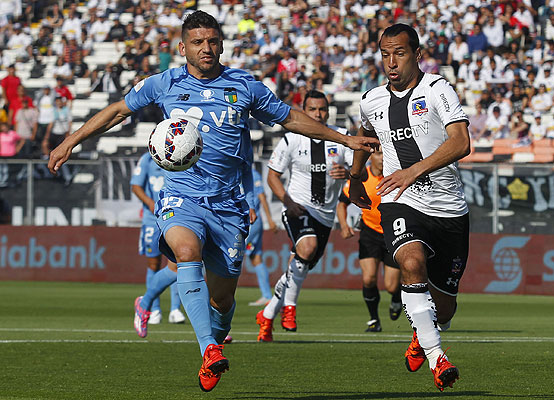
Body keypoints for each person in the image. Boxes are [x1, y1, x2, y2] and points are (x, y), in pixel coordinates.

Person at [47, 10, 377, 393]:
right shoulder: (164, 83)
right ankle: (208, 348)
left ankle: (214, 342)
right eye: (197, 42)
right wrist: (71, 141)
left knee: (222, 299)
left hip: (229, 206)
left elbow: (289, 118)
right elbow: (118, 111)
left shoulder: (244, 86)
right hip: (180, 196)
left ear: (221, 44)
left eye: (212, 41)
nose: (206, 48)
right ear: (182, 48)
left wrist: (345, 139)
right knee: (186, 252)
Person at [348, 23, 470, 392]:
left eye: (399, 53)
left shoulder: (437, 89)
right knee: (411, 263)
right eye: (385, 55)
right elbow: (365, 135)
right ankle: (437, 357)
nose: (391, 62)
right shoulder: (371, 100)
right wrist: (355, 177)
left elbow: (461, 142)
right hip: (400, 200)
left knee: (444, 310)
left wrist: (414, 170)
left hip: (448, 208)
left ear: (416, 55)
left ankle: (423, 333)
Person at [256, 90, 354, 342]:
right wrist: (288, 203)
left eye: (322, 109)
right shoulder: (292, 139)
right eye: (312, 109)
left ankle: (267, 315)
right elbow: (272, 176)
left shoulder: (341, 137)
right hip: (298, 207)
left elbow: (361, 173)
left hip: (325, 216)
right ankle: (289, 309)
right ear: (303, 111)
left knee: (298, 266)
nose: (318, 114)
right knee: (307, 248)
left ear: (328, 112)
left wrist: (349, 174)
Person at [337, 149, 401, 333]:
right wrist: (343, 225)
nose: (382, 158)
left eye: (385, 153)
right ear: (371, 156)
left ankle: (396, 298)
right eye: (379, 154)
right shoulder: (362, 176)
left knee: (391, 286)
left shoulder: (395, 175)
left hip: (393, 233)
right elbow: (342, 203)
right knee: (368, 278)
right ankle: (374, 320)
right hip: (369, 232)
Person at [130, 152, 185, 325]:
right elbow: (136, 186)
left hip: (175, 216)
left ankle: (175, 309)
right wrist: (150, 203)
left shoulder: (182, 154)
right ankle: (154, 309)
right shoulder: (147, 158)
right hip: (152, 219)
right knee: (153, 263)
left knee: (177, 261)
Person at [246, 166, 278, 306]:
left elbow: (262, 196)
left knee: (232, 251)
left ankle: (218, 293)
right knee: (255, 257)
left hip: (251, 222)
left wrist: (270, 219)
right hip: (252, 222)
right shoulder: (238, 172)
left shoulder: (252, 174)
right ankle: (267, 296)